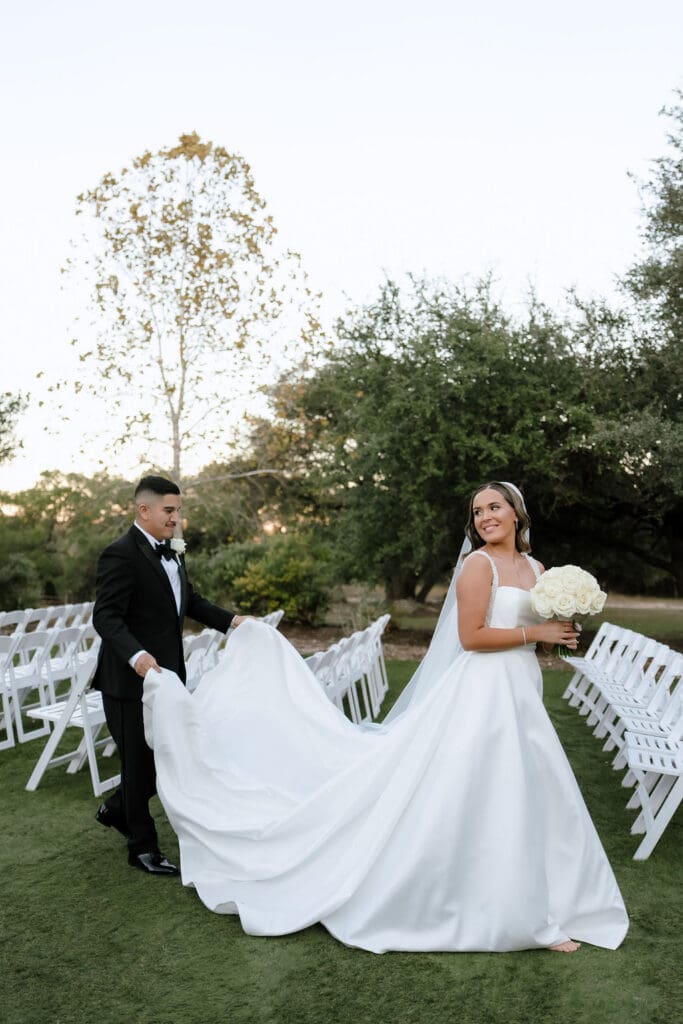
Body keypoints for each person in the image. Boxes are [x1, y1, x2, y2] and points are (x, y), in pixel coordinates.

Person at [141, 481, 628, 951]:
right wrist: (536, 635)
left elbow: (535, 624)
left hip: (522, 685)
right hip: (483, 690)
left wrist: (560, 630)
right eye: (478, 512)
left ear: (517, 514)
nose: (486, 518)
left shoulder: (535, 565)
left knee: (531, 783)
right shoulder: (478, 567)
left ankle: (555, 895)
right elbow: (472, 637)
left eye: (495, 508)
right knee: (490, 784)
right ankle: (486, 903)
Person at [92, 475, 245, 876]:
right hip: (128, 682)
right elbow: (105, 617)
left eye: (178, 510)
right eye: (169, 511)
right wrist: (137, 656)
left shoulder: (173, 552)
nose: (177, 519)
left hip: (169, 678)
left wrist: (231, 622)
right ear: (144, 510)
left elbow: (188, 600)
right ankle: (142, 848)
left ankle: (116, 808)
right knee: (140, 764)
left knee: (164, 760)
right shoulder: (120, 554)